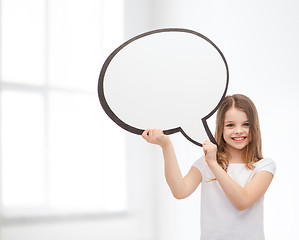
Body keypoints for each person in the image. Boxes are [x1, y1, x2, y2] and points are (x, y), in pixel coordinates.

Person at [142, 94, 276, 240]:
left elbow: (243, 202)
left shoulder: (264, 166)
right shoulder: (204, 162)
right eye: (230, 125)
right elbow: (180, 191)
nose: (238, 130)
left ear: (254, 127)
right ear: (221, 127)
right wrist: (166, 145)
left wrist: (213, 163)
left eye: (246, 124)